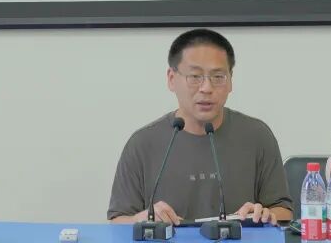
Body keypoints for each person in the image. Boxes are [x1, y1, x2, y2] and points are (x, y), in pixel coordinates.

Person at [107, 28, 292, 225]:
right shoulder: (143, 143)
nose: (206, 88)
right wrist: (140, 219)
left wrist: (265, 215)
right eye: (195, 76)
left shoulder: (256, 135)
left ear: (230, 81)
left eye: (218, 77)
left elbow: (284, 211)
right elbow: (117, 221)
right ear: (171, 79)